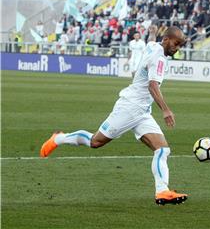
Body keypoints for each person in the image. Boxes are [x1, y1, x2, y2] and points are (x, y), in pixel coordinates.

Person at [40, 26, 188, 205]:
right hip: (129, 108)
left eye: (180, 45)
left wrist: (151, 33)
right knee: (95, 142)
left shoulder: (154, 46)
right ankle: (59, 138)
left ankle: (162, 191)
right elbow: (153, 86)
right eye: (176, 43)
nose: (177, 48)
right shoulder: (159, 58)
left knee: (162, 149)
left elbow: (150, 41)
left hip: (142, 111)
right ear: (166, 40)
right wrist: (165, 109)